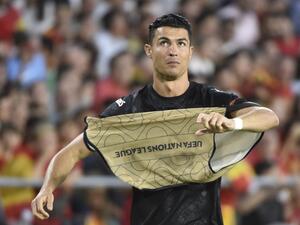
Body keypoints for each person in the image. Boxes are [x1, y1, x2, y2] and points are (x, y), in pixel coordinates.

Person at [31, 14, 279, 225]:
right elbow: (73, 151)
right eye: (164, 42)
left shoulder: (212, 99)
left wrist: (232, 123)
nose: (173, 50)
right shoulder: (129, 108)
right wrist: (47, 188)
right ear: (149, 50)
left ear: (190, 52)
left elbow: (269, 117)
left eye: (181, 43)